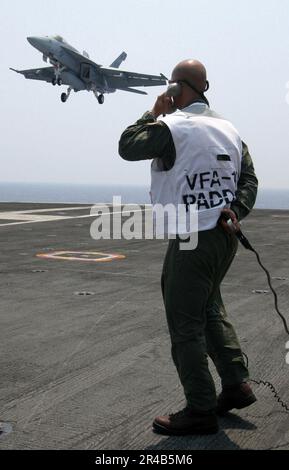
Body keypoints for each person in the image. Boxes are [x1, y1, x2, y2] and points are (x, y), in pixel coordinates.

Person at [118, 59, 258, 436]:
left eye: (171, 87)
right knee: (210, 307)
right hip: (224, 235)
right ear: (206, 86)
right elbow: (249, 178)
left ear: (177, 89)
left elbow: (128, 146)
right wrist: (236, 210)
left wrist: (153, 110)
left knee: (185, 324)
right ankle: (235, 384)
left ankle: (199, 408)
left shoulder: (171, 127)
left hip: (191, 237)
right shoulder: (230, 130)